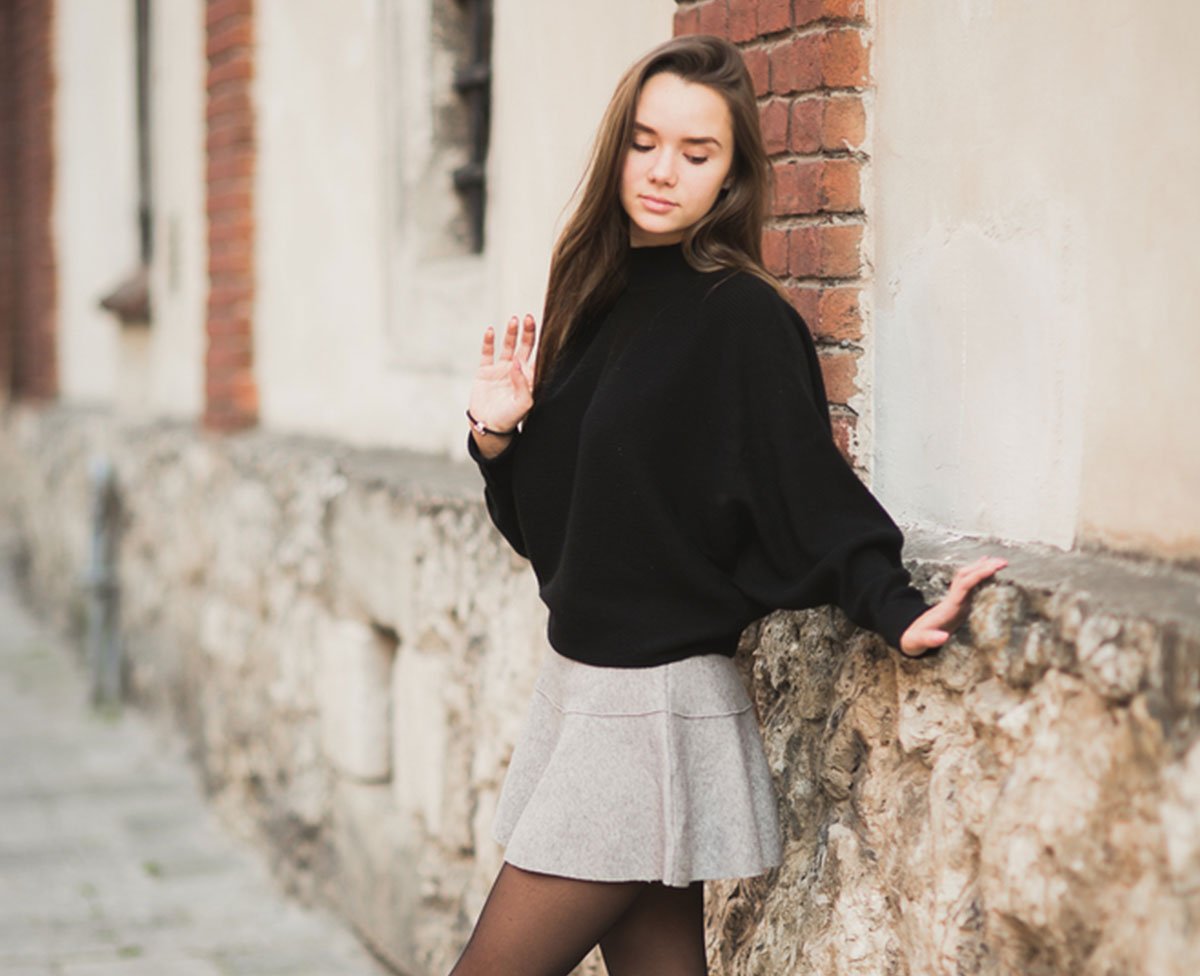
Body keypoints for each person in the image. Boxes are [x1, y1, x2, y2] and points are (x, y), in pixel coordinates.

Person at [453, 34, 1006, 976]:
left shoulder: (742, 319)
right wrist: (497, 439)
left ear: (732, 177)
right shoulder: (597, 294)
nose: (664, 171)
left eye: (697, 153)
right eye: (646, 141)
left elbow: (806, 489)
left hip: (653, 706)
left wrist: (895, 607)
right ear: (617, 147)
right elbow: (553, 537)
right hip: (585, 690)